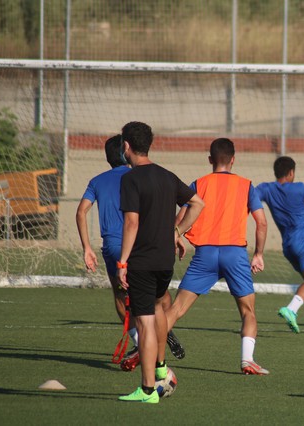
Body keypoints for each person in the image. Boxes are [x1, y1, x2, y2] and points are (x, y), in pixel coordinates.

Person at [75, 135, 187, 374]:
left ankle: (141, 343)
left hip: (116, 246)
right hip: (145, 244)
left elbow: (81, 212)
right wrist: (174, 233)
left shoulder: (98, 181)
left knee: (121, 297)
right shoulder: (142, 176)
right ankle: (161, 332)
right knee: (158, 299)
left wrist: (86, 247)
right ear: (127, 151)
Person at [165, 137, 269, 375]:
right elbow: (261, 223)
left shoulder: (198, 184)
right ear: (233, 160)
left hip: (205, 255)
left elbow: (180, 219)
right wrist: (259, 254)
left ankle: (145, 349)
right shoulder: (246, 185)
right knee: (248, 312)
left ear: (210, 160)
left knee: (177, 308)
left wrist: (176, 236)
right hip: (235, 255)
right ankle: (247, 360)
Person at [117, 122, 204, 403]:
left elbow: (132, 222)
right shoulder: (167, 176)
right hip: (165, 260)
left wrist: (122, 262)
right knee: (156, 313)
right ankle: (162, 367)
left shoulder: (130, 179)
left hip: (142, 261)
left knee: (143, 324)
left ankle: (147, 390)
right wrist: (177, 233)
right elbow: (198, 204)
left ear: (127, 146)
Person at [256, 156, 304, 334]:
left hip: (288, 246)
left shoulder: (266, 189)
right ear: (291, 172)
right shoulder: (300, 188)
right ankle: (291, 310)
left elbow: (251, 199)